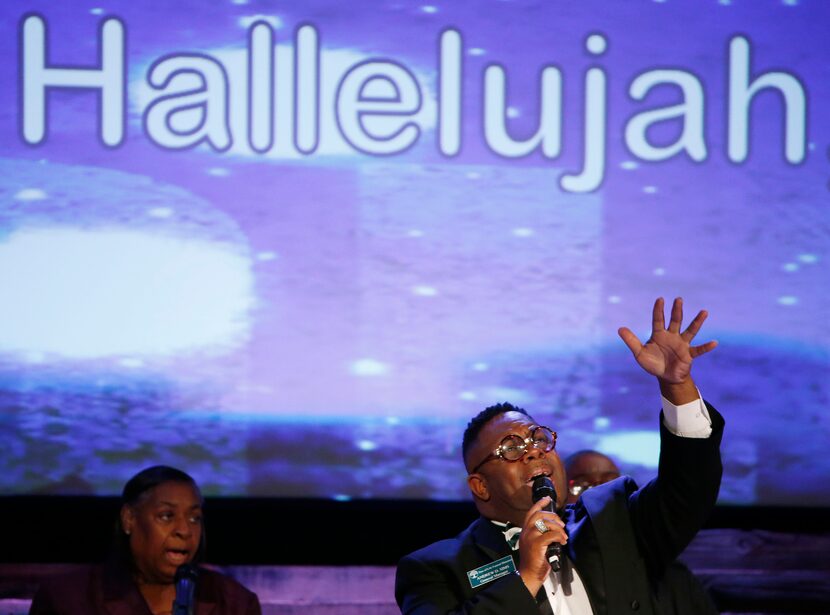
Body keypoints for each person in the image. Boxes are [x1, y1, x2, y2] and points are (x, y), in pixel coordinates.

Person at [395, 297, 724, 614]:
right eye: (511, 448)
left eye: (538, 438)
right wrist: (526, 577)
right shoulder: (436, 569)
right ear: (481, 486)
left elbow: (688, 488)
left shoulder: (614, 519)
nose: (533, 451)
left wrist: (676, 387)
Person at [29, 465, 262, 615]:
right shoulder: (68, 600)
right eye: (166, 516)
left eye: (194, 518)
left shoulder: (234, 604)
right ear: (129, 519)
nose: (184, 530)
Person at [564, 450, 719, 614]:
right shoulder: (561, 575)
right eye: (582, 486)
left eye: (610, 483)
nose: (598, 496)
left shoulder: (675, 577)